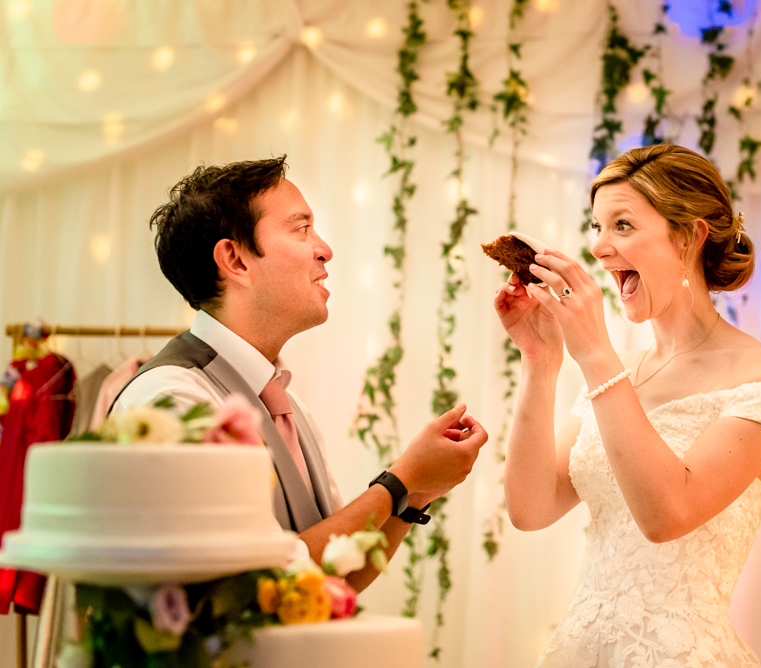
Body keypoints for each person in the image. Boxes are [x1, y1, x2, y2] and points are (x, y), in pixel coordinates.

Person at [112, 156, 487, 593]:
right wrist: (400, 481)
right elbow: (257, 585)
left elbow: (334, 573)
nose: (324, 248)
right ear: (235, 259)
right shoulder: (172, 402)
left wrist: (414, 495)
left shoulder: (290, 408)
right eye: (301, 228)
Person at [494, 144, 761, 667]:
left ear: (689, 235)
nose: (599, 248)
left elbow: (667, 514)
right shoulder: (622, 373)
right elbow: (531, 508)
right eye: (596, 226)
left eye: (623, 225)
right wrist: (540, 361)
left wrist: (594, 355)